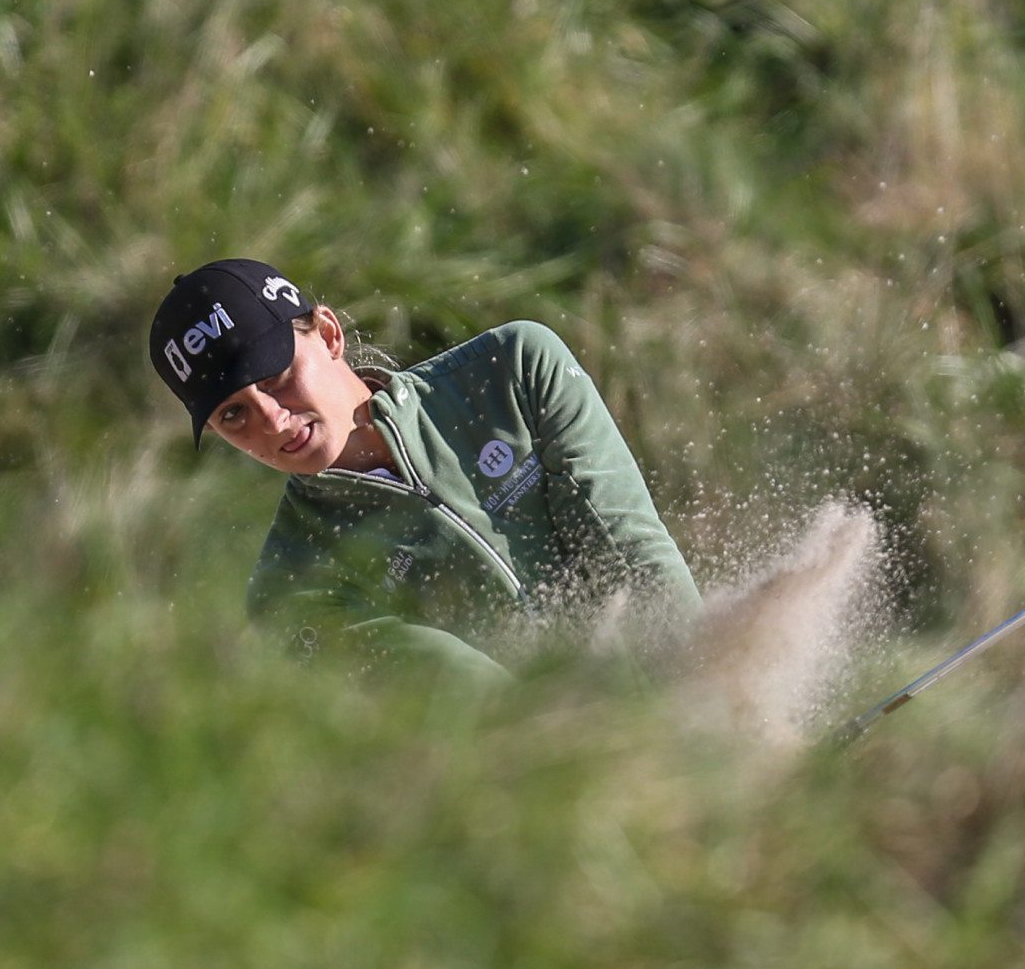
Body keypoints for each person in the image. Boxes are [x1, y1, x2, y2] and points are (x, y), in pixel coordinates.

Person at [149, 258, 700, 689]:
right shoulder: (290, 587)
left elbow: (635, 555)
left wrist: (710, 691)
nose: (270, 420)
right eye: (233, 413)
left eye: (274, 376)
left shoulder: (513, 370)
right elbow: (481, 701)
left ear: (329, 333)